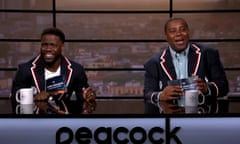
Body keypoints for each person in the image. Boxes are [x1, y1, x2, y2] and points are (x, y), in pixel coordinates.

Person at [144, 17, 229, 104]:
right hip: (170, 114)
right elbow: (147, 94)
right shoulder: (154, 63)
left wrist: (207, 88)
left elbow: (224, 87)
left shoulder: (208, 54)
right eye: (173, 31)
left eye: (183, 29)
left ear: (188, 32)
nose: (178, 34)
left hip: (202, 114)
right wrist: (161, 96)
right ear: (166, 36)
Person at [11, 27, 96, 111]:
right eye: (45, 45)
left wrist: (88, 96)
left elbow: (83, 95)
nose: (48, 49)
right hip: (35, 121)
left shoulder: (76, 70)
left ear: (62, 47)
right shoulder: (25, 69)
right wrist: (34, 98)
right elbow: (14, 97)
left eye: (53, 45)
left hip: (63, 121)